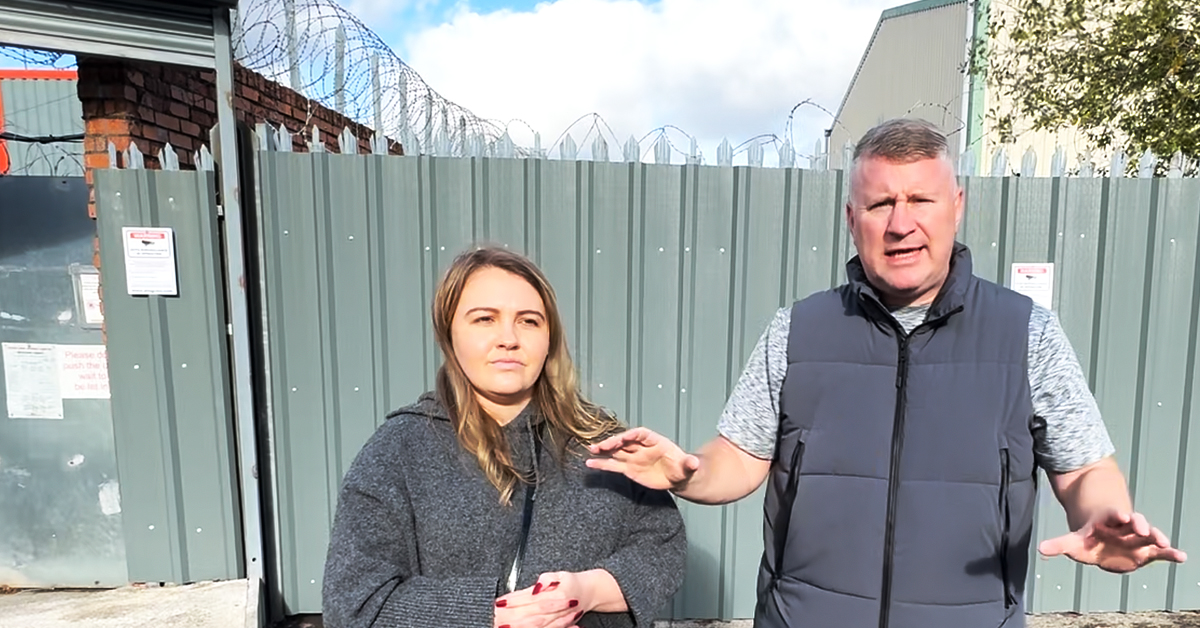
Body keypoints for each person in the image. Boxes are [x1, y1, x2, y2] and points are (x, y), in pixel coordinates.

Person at [586, 118, 1187, 628]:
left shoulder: (1026, 332)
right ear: (853, 218)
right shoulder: (798, 330)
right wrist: (686, 473)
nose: (901, 224)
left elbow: (1085, 468)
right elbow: (738, 458)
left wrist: (1102, 517)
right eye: (880, 204)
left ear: (956, 207)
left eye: (921, 200)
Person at [322, 246, 687, 628]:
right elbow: (354, 603)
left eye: (529, 321)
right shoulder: (399, 449)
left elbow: (662, 547)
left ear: (549, 337)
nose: (508, 339)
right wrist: (492, 615)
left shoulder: (600, 442)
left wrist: (588, 591)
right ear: (449, 333)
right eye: (485, 319)